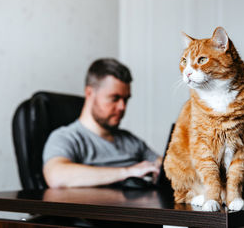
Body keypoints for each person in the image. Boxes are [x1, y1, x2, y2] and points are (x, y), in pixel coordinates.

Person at [42, 58, 161, 188]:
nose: (122, 107)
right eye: (114, 98)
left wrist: (162, 165)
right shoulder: (66, 137)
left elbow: (161, 162)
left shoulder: (130, 140)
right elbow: (56, 176)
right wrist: (128, 172)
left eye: (125, 99)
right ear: (89, 93)